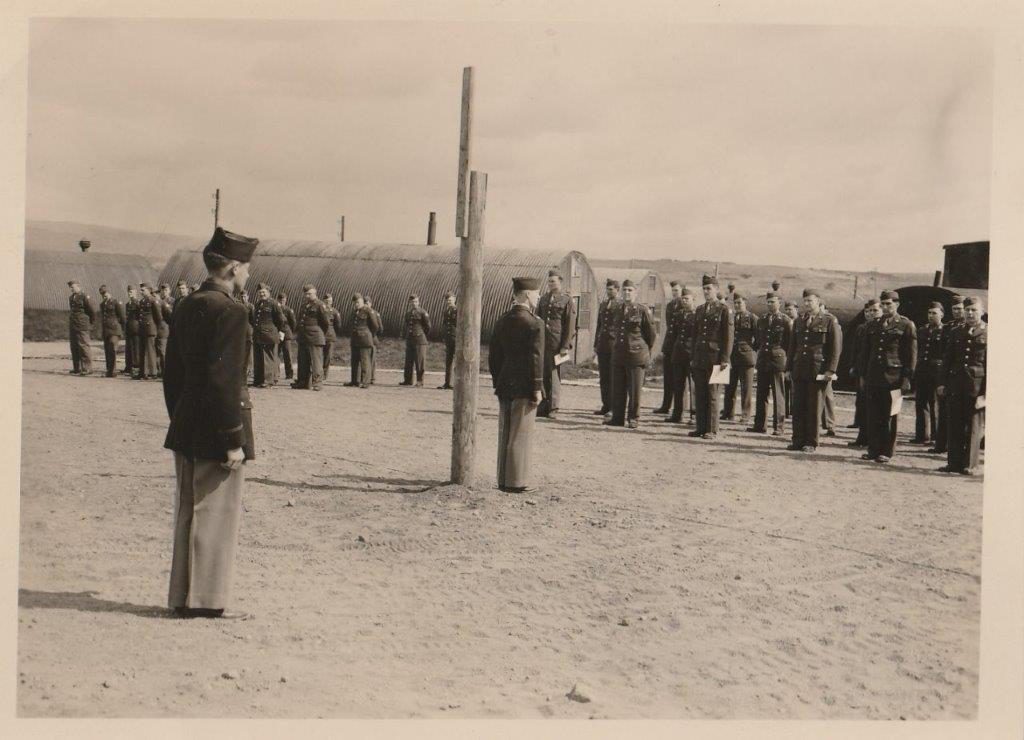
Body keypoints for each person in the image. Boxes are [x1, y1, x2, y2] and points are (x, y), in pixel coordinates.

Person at [162, 226, 259, 620]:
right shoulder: (231, 311)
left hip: (187, 424)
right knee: (216, 515)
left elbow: (172, 373)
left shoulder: (187, 304)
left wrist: (181, 417)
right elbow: (225, 381)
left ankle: (182, 597)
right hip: (218, 428)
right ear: (234, 268)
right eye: (247, 267)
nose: (248, 274)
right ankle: (206, 601)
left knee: (188, 510)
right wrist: (233, 438)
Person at [489, 277, 545, 493]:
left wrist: (498, 380)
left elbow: (494, 356)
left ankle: (503, 480)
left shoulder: (502, 320)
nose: (539, 297)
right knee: (521, 433)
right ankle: (517, 482)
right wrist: (537, 388)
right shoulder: (535, 323)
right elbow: (536, 359)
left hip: (505, 383)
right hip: (525, 385)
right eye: (536, 293)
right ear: (527, 295)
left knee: (505, 432)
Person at [860, 290, 917, 464]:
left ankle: (886, 451)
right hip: (874, 376)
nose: (885, 307)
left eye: (889, 304)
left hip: (894, 378)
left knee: (890, 416)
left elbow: (911, 355)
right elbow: (865, 352)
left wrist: (907, 378)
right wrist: (863, 375)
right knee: (873, 414)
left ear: (897, 305)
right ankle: (873, 449)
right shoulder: (873, 325)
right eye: (883, 304)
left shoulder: (906, 325)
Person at [786, 289, 842, 453]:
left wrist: (831, 370)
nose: (807, 304)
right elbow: (792, 346)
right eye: (805, 301)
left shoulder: (829, 320)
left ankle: (811, 441)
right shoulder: (799, 320)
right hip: (800, 368)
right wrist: (788, 368)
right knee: (798, 407)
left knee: (814, 407)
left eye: (810, 301)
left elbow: (835, 348)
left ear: (818, 301)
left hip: (818, 370)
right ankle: (797, 440)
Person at [937, 296, 986, 475]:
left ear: (982, 312)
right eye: (967, 310)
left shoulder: (989, 332)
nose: (970, 313)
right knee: (954, 424)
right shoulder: (956, 332)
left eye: (974, 310)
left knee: (973, 427)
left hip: (976, 388)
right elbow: (947, 360)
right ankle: (954, 463)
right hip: (956, 385)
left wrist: (986, 393)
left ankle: (970, 465)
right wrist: (942, 383)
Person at [605, 279, 655, 428]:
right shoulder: (617, 309)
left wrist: (644, 351)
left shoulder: (642, 310)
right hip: (619, 354)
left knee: (634, 390)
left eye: (630, 290)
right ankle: (617, 418)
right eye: (625, 290)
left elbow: (651, 335)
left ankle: (633, 418)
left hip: (636, 355)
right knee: (618, 388)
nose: (627, 293)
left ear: (636, 293)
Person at [689, 274, 733, 440]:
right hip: (700, 357)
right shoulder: (700, 309)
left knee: (713, 395)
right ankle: (700, 427)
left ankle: (712, 429)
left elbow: (728, 337)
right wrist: (693, 357)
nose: (706, 291)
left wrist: (725, 360)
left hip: (717, 359)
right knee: (700, 393)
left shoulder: (724, 310)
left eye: (709, 288)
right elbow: (695, 335)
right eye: (704, 289)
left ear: (716, 289)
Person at [534, 269, 577, 419]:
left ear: (560, 282)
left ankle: (553, 407)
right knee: (542, 373)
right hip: (543, 342)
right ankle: (543, 406)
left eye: (553, 281)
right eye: (549, 281)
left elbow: (570, 325)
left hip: (557, 343)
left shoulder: (566, 300)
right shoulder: (544, 298)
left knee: (553, 375)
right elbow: (538, 319)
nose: (551, 284)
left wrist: (565, 346)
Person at [750, 291, 791, 435]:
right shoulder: (762, 319)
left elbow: (789, 343)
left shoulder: (785, 320)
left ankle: (779, 426)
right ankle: (759, 425)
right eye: (768, 302)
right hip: (763, 360)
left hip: (777, 361)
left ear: (779, 303)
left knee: (778, 394)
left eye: (772, 302)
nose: (770, 304)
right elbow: (758, 340)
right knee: (761, 394)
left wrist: (787, 363)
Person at [929, 294, 965, 455]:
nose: (957, 312)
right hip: (948, 372)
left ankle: (956, 446)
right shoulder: (948, 327)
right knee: (943, 409)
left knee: (959, 412)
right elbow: (942, 352)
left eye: (960, 309)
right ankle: (941, 444)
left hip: (962, 374)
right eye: (954, 309)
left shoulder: (967, 327)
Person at [847, 299, 881, 448]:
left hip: (877, 371)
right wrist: (855, 367)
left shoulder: (883, 327)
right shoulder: (863, 328)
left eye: (875, 310)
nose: (871, 314)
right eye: (869, 311)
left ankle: (873, 440)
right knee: (863, 404)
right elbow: (857, 350)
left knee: (875, 407)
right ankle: (862, 437)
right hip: (864, 370)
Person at [913, 301, 946, 445]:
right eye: (929, 313)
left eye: (934, 313)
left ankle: (935, 436)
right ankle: (921, 435)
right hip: (922, 370)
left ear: (942, 315)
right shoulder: (922, 330)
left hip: (936, 371)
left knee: (934, 404)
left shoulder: (945, 331)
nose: (931, 316)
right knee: (920, 402)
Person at [722, 292, 757, 424]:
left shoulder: (752, 318)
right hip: (732, 356)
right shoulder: (731, 317)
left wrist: (751, 350)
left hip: (746, 357)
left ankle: (745, 415)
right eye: (735, 303)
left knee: (746, 388)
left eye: (739, 303)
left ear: (745, 303)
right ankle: (728, 413)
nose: (737, 305)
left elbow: (758, 338)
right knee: (729, 386)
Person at [665, 286, 697, 424]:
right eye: (683, 299)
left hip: (691, 355)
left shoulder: (697, 315)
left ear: (693, 299)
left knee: (693, 386)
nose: (684, 301)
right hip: (678, 354)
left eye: (687, 299)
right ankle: (677, 414)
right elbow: (673, 335)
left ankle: (694, 415)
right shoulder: (678, 315)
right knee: (678, 385)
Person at [293, 284, 330, 391]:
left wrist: (318, 333)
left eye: (309, 294)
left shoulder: (320, 305)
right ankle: (303, 382)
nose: (307, 296)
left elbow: (326, 323)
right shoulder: (304, 305)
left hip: (315, 337)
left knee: (316, 362)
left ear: (315, 293)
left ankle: (317, 383)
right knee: (303, 361)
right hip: (303, 337)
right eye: (306, 294)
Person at [654, 281, 684, 415]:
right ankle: (666, 405)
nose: (674, 293)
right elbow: (669, 326)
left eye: (677, 290)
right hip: (670, 345)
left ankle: (681, 408)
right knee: (668, 378)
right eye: (673, 291)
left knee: (680, 380)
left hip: (681, 347)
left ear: (682, 291)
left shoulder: (685, 305)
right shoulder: (670, 305)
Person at [592, 279, 621, 416]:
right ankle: (606, 405)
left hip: (614, 345)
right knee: (604, 377)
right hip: (603, 344)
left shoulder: (620, 305)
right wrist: (595, 344)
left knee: (613, 377)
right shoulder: (603, 304)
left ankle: (614, 407)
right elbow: (599, 325)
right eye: (607, 289)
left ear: (617, 290)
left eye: (611, 289)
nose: (609, 292)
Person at [252, 282, 287, 388]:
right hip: (258, 335)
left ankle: (268, 381)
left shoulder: (274, 304)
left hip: (269, 335)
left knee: (267, 359)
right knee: (258, 358)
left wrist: (280, 332)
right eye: (260, 292)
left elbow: (281, 320)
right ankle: (258, 380)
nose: (261, 294)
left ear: (268, 292)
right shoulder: (258, 304)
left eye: (263, 292)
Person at [348, 293, 381, 388]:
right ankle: (355, 381)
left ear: (362, 301)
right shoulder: (355, 312)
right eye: (355, 303)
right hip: (355, 340)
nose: (356, 304)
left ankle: (366, 382)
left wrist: (369, 335)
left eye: (358, 302)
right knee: (354, 361)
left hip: (365, 340)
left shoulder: (368, 311)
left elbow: (375, 326)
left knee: (365, 361)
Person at [66, 279, 96, 375]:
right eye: (70, 287)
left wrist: (90, 323)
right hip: (73, 325)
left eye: (73, 287)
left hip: (82, 325)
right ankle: (77, 368)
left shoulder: (84, 296)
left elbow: (91, 311)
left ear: (78, 286)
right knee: (74, 347)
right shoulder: (71, 298)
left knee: (84, 346)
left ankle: (87, 368)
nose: (71, 289)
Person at [401, 295, 431, 387]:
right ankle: (408, 380)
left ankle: (420, 380)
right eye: (412, 302)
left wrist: (421, 334)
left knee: (419, 361)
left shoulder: (422, 312)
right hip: (410, 339)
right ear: (410, 303)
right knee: (408, 361)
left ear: (418, 302)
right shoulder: (408, 313)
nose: (414, 303)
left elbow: (428, 326)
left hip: (419, 340)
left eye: (416, 302)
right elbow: (407, 325)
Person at [97, 284, 125, 378]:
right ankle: (109, 370)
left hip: (114, 330)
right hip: (106, 330)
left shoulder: (116, 302)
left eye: (105, 293)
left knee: (113, 349)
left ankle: (113, 371)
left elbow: (122, 317)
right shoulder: (102, 304)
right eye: (102, 294)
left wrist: (120, 328)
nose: (104, 295)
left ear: (109, 293)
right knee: (107, 350)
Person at [135, 283, 162, 380]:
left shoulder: (153, 300)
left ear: (149, 290)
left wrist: (155, 328)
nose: (141, 292)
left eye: (143, 290)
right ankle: (143, 372)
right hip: (142, 329)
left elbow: (158, 317)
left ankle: (152, 372)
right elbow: (139, 315)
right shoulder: (142, 301)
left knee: (150, 351)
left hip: (150, 329)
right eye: (141, 290)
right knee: (142, 351)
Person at [782, 300, 800, 418]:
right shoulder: (784, 322)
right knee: (785, 386)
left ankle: (794, 411)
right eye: (786, 310)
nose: (788, 312)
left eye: (790, 309)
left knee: (795, 387)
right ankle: (784, 411)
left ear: (796, 309)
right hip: (785, 357)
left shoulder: (800, 322)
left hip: (796, 358)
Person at [438, 292, 458, 389]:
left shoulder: (457, 310)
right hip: (449, 338)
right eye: (447, 300)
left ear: (454, 299)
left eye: (450, 300)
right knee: (448, 361)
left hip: (456, 338)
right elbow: (445, 324)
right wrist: (445, 336)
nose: (449, 302)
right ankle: (447, 383)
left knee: (457, 361)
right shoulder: (446, 311)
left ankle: (456, 383)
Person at [277, 292, 297, 381]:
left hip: (286, 334)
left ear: (286, 300)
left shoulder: (288, 310)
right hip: (277, 334)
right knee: (276, 354)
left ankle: (289, 374)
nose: (282, 301)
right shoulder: (275, 309)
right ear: (278, 300)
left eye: (284, 300)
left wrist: (290, 332)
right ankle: (276, 373)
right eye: (281, 300)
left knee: (287, 354)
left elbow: (293, 323)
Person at [322, 293, 342, 381]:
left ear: (332, 302)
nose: (328, 303)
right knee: (318, 356)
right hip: (320, 336)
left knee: (328, 356)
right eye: (326, 301)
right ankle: (318, 372)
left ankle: (324, 374)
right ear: (323, 301)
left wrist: (333, 333)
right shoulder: (321, 310)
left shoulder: (334, 312)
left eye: (329, 301)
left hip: (330, 337)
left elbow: (338, 325)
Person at [155, 284, 174, 377]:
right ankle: (159, 370)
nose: (164, 292)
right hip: (158, 329)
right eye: (163, 290)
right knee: (158, 351)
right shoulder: (159, 301)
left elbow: (171, 315)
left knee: (163, 351)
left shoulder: (172, 301)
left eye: (166, 290)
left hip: (165, 328)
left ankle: (166, 371)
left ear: (169, 291)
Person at [364, 296, 383, 384]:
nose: (366, 305)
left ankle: (372, 378)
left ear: (371, 304)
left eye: (367, 303)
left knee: (372, 359)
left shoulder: (375, 313)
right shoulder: (360, 313)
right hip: (363, 340)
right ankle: (363, 377)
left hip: (372, 339)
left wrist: (373, 335)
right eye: (365, 303)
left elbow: (380, 328)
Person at [123, 285, 140, 376]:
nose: (130, 293)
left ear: (135, 292)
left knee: (136, 349)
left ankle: (136, 366)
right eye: (129, 292)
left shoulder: (137, 303)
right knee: (129, 348)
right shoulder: (128, 304)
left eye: (131, 292)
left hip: (136, 329)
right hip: (129, 328)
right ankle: (128, 367)